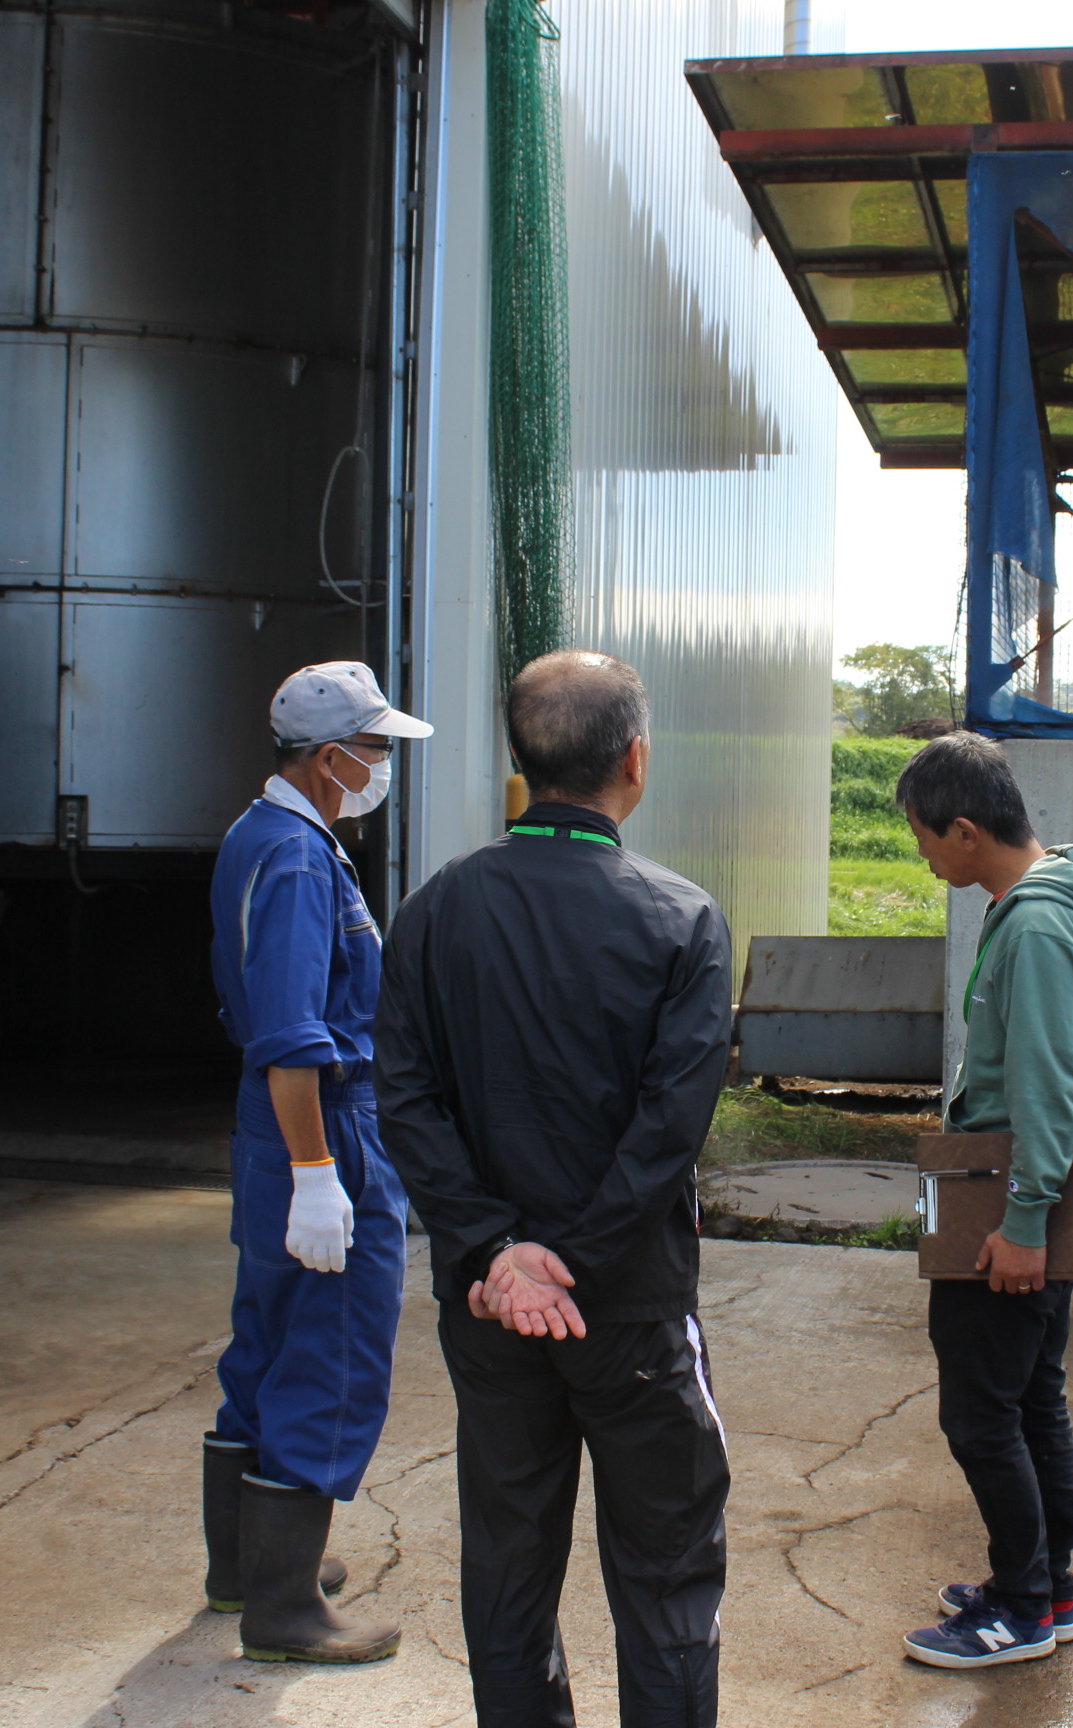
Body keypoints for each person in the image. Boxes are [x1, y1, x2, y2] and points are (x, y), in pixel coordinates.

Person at [375, 649, 732, 1728]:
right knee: (668, 1575)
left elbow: (406, 1100)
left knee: (509, 1561)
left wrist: (498, 1254)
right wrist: (566, 1257)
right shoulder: (679, 920)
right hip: (624, 1310)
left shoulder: (434, 913)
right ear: (635, 757)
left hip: (491, 1314)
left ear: (519, 762)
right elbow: (668, 1129)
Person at [203, 659, 431, 1665]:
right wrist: (317, 1174)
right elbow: (293, 1036)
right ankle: (286, 1608)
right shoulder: (299, 860)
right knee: (328, 1355)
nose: (384, 764)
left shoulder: (263, 835)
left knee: (263, 1341)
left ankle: (244, 1567)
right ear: (332, 758)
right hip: (319, 1118)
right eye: (376, 748)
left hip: (275, 1125)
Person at [896, 731, 1073, 1670]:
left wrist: (1023, 1225)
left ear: (962, 829)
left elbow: (1046, 1088)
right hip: (1042, 1196)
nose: (920, 853)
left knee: (980, 1415)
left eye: (921, 836)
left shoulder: (1033, 924)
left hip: (1015, 1203)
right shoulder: (1053, 902)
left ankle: (1023, 1606)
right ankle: (1046, 1583)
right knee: (1032, 1401)